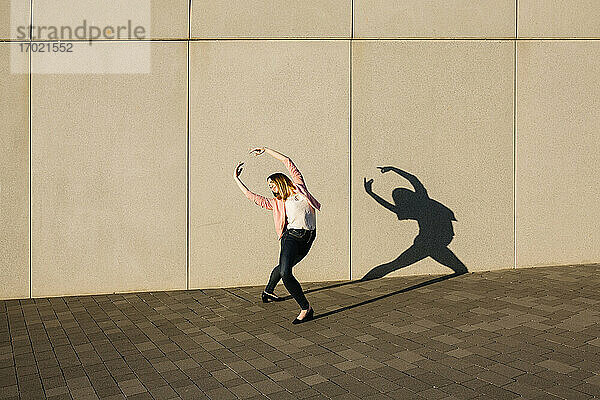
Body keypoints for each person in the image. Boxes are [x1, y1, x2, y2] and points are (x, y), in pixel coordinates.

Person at [233, 147, 321, 324]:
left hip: (309, 238)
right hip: (291, 238)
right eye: (269, 187)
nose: (271, 188)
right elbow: (253, 197)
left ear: (280, 181)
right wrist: (236, 179)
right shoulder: (277, 202)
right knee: (286, 272)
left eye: (272, 184)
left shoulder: (299, 187)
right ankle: (306, 308)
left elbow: (288, 161)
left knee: (282, 267)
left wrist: (266, 150)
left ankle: (268, 291)